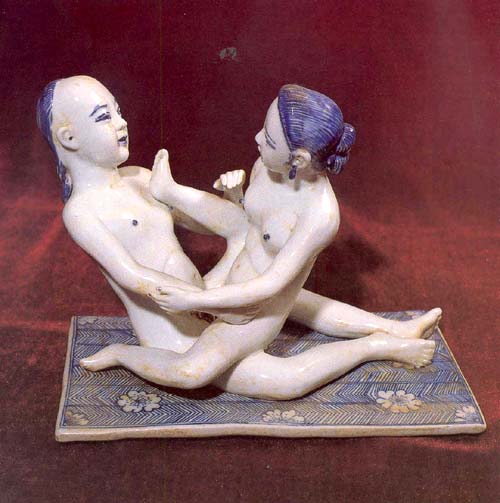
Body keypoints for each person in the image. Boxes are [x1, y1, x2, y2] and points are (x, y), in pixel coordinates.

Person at [38, 78, 438, 399]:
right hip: (176, 333)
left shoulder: (140, 178)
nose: (122, 122)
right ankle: (376, 345)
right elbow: (132, 277)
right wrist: (196, 300)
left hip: (204, 295)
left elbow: (234, 226)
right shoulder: (81, 212)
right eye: (104, 117)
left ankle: (394, 330)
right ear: (70, 138)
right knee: (283, 381)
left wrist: (185, 196)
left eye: (118, 111)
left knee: (281, 291)